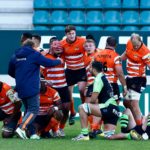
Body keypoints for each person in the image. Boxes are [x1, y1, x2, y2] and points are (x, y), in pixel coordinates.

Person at [8, 39, 63, 139]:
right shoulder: (34, 54)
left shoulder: (15, 56)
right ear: (33, 47)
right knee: (34, 110)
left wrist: (21, 77)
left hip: (20, 86)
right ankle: (21, 128)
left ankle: (29, 132)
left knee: (28, 110)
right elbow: (47, 62)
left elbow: (10, 72)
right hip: (32, 86)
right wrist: (59, 61)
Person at [72, 61, 120, 141]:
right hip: (115, 110)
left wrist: (88, 109)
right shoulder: (103, 77)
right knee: (109, 136)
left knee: (82, 107)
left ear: (94, 69)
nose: (89, 70)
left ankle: (84, 135)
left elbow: (94, 99)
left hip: (108, 108)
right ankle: (129, 135)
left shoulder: (98, 79)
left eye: (90, 67)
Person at [41, 37, 70, 136]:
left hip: (63, 86)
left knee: (66, 108)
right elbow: (39, 73)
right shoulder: (44, 56)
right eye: (55, 45)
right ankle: (52, 128)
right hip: (51, 88)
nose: (58, 47)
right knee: (52, 109)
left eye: (59, 45)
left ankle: (61, 128)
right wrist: (45, 81)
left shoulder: (63, 55)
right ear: (50, 46)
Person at [121, 33, 150, 127]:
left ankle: (140, 127)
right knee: (126, 102)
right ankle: (141, 119)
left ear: (141, 41)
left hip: (139, 79)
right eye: (134, 45)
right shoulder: (129, 43)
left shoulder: (145, 52)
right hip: (129, 78)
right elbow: (125, 54)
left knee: (134, 103)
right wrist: (118, 60)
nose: (135, 47)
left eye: (137, 45)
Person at [61, 25, 87, 125]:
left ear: (75, 33)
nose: (71, 35)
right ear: (66, 35)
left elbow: (90, 51)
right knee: (68, 94)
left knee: (81, 90)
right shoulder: (62, 44)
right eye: (69, 34)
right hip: (70, 70)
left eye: (73, 33)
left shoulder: (82, 41)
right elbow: (62, 59)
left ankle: (85, 109)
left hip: (81, 70)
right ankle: (72, 112)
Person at [95, 36, 127, 103]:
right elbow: (120, 73)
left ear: (106, 43)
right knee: (116, 103)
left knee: (100, 104)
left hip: (99, 83)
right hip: (111, 84)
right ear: (116, 45)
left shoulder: (97, 55)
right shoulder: (116, 57)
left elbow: (93, 70)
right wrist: (124, 86)